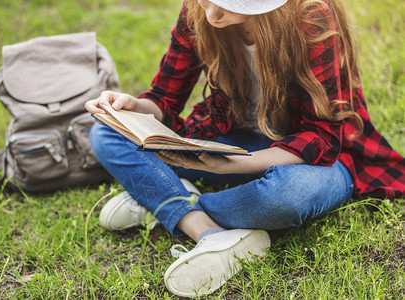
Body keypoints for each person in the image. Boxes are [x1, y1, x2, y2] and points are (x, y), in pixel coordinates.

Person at [86, 0, 405, 297]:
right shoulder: (195, 11)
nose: (211, 15)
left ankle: (161, 198)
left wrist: (230, 167)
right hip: (234, 139)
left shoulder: (309, 15)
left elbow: (322, 136)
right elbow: (165, 98)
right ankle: (204, 228)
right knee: (106, 132)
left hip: (318, 158)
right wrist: (135, 107)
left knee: (287, 196)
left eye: (226, 4)